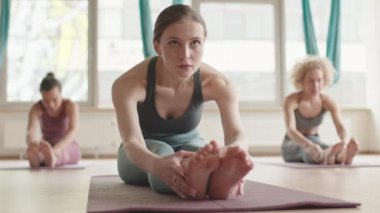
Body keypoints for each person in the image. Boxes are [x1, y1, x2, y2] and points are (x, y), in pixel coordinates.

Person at [112, 4, 253, 200]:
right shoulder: (128, 84)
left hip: (189, 144)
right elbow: (132, 142)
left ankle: (209, 179)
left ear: (204, 43)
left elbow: (236, 133)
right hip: (140, 153)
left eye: (194, 43)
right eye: (174, 43)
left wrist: (233, 152)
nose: (185, 54)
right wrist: (155, 164)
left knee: (203, 153)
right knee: (162, 154)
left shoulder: (220, 83)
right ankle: (206, 181)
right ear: (157, 46)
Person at [282, 56, 359, 165]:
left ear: (324, 80)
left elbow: (340, 127)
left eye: (319, 80)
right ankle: (330, 158)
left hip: (315, 140)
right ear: (302, 81)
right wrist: (308, 145)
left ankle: (342, 155)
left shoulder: (327, 102)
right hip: (292, 143)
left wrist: (344, 142)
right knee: (309, 152)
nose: (315, 85)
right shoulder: (292, 100)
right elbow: (290, 130)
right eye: (311, 81)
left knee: (326, 148)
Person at [26, 72, 81, 168]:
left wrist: (58, 148)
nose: (50, 104)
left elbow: (73, 131)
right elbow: (31, 130)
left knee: (64, 153)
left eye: (54, 100)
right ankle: (37, 158)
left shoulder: (71, 106)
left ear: (61, 93)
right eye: (46, 101)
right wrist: (32, 144)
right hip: (47, 145)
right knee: (41, 152)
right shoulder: (36, 108)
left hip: (66, 145)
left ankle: (53, 159)